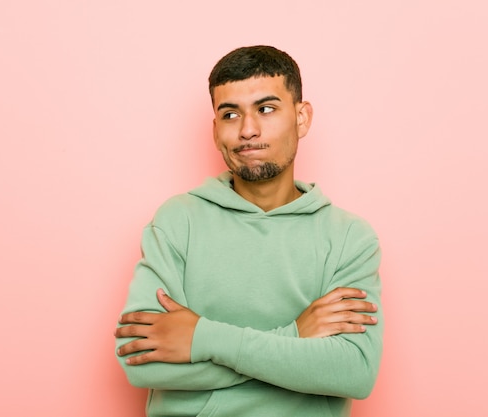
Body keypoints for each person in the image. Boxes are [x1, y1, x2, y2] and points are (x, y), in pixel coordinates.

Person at [115, 45, 383, 417]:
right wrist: (295, 339)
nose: (248, 130)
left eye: (266, 109)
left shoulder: (349, 237)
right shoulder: (178, 221)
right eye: (230, 114)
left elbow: (353, 372)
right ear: (215, 129)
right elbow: (141, 361)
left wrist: (201, 338)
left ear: (302, 118)